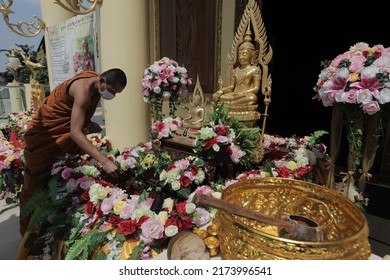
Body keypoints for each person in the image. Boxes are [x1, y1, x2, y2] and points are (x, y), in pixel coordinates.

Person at [19, 68, 127, 236]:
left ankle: (53, 222)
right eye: (112, 91)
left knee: (63, 178)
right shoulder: (83, 90)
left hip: (62, 135)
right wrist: (105, 161)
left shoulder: (94, 82)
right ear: (103, 81)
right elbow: (75, 133)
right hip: (45, 137)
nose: (112, 96)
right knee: (35, 184)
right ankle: (28, 233)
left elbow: (76, 115)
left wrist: (88, 123)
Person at [212, 30, 261, 106]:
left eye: (244, 54)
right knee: (215, 96)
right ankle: (230, 103)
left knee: (253, 98)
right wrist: (222, 90)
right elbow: (232, 87)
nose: (241, 57)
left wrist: (240, 94)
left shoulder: (255, 70)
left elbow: (256, 89)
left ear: (253, 55)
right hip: (234, 95)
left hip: (244, 96)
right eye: (239, 54)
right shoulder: (235, 70)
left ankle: (230, 104)